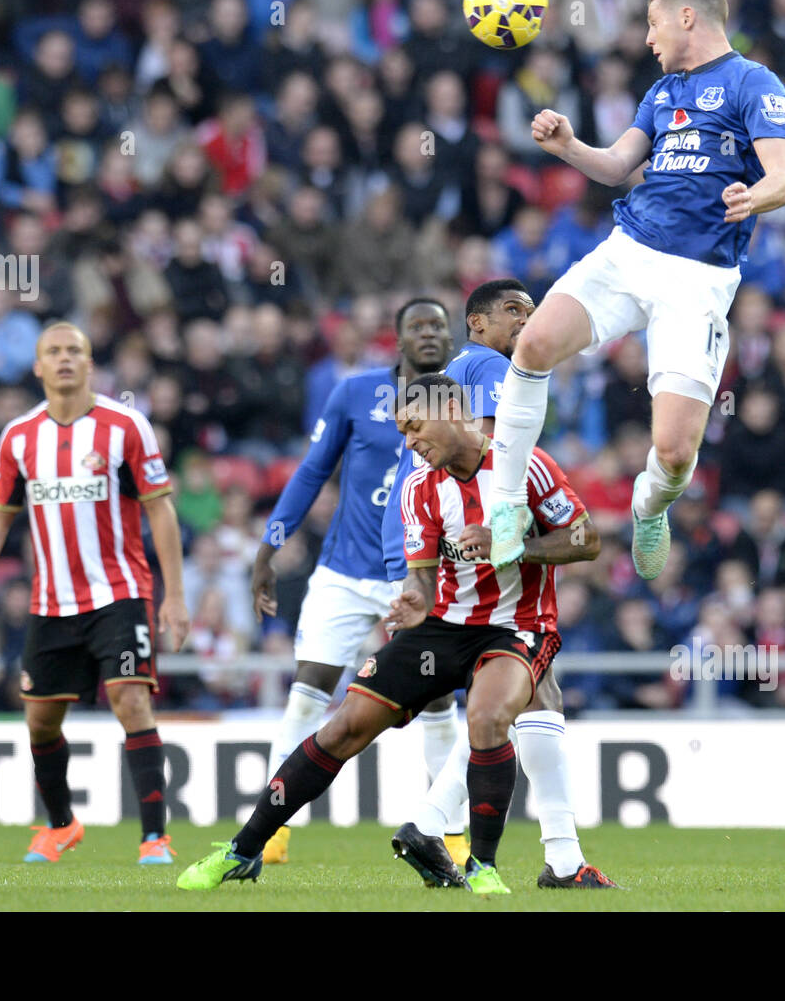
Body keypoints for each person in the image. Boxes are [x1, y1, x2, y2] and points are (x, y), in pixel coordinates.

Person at [177, 373, 605, 895]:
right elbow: (423, 572)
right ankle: (243, 850)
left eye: (413, 426)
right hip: (442, 629)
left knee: (489, 717)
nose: (408, 443)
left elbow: (586, 539)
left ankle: (482, 867)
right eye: (402, 432)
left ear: (451, 409)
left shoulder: (525, 465)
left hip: (515, 628)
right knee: (343, 729)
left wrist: (514, 545)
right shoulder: (419, 487)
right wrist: (413, 598)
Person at [486, 0, 785, 581]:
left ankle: (649, 504)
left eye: (654, 24)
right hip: (628, 251)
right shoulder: (660, 92)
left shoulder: (752, 82)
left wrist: (752, 198)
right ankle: (505, 503)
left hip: (698, 279)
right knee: (532, 343)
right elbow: (615, 167)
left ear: (687, 17)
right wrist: (570, 146)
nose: (648, 38)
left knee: (677, 454)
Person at [380, 279, 615, 886]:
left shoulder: (456, 373)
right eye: (514, 311)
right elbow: (486, 456)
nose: (528, 322)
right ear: (477, 324)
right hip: (475, 553)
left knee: (529, 699)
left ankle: (555, 857)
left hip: (435, 543)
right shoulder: (485, 367)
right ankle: (443, 826)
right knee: (511, 699)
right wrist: (519, 528)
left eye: (533, 312)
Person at [0, 322, 190, 865]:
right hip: (51, 601)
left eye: (75, 351)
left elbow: (160, 508)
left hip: (120, 592)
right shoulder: (18, 437)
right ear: (37, 366)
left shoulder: (126, 426)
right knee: (39, 718)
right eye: (53, 352)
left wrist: (173, 596)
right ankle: (61, 825)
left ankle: (155, 837)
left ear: (90, 363)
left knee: (129, 699)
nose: (64, 360)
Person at [249, 298, 456, 865]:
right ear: (398, 339)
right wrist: (270, 546)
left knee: (437, 700)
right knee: (306, 694)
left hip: (416, 576)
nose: (430, 334)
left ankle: (453, 836)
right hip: (343, 571)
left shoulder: (463, 397)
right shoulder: (356, 393)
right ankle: (271, 833)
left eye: (440, 325)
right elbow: (313, 470)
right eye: (418, 326)